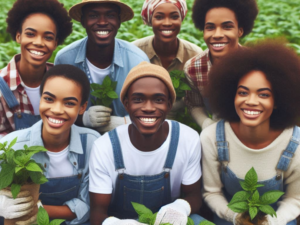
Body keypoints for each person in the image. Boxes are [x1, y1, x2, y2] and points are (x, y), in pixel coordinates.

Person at [89, 62, 205, 225]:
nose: (148, 108)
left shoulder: (187, 139)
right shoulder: (105, 147)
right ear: (126, 104)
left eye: (158, 99)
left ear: (169, 104)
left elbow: (194, 196)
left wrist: (181, 206)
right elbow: (97, 214)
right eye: (138, 99)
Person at [201, 42, 300, 225]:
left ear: (278, 100)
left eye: (263, 95)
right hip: (227, 218)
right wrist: (236, 217)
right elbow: (211, 192)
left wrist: (270, 222)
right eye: (243, 92)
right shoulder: (212, 137)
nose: (251, 101)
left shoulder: (295, 143)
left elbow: (294, 200)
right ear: (232, 96)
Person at [0, 65, 100, 225]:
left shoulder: (91, 143)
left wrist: (38, 209)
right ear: (40, 98)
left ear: (82, 107)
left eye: (69, 103)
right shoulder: (12, 146)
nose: (57, 110)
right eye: (49, 99)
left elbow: (88, 205)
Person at [55, 0, 149, 133]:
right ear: (83, 21)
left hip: (127, 141)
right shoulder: (65, 59)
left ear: (119, 21)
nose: (102, 22)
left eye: (110, 15)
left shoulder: (137, 61)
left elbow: (149, 109)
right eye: (93, 15)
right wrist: (82, 118)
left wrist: (126, 122)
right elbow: (56, 107)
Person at [0, 0, 72, 137]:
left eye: (48, 37)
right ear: (18, 36)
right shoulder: (2, 87)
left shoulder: (63, 81)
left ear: (56, 43)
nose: (39, 42)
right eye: (30, 34)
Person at [184, 0, 258, 129]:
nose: (217, 35)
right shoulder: (193, 68)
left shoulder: (256, 64)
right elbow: (194, 104)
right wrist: (206, 124)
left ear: (240, 31)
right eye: (210, 27)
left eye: (227, 27)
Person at [133, 0, 202, 120]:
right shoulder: (134, 52)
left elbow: (199, 98)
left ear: (181, 19)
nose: (167, 23)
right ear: (150, 20)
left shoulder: (194, 54)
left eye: (174, 17)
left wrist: (181, 103)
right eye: (159, 17)